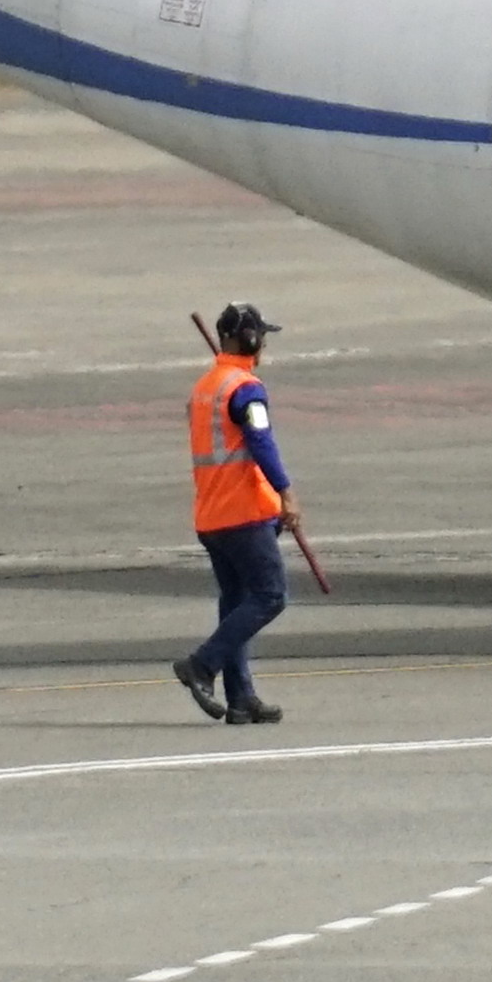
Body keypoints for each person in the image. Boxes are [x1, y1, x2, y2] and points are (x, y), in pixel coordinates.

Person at [176, 302, 297, 726]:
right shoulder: (245, 389)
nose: (263, 343)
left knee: (235, 604)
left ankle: (241, 697)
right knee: (270, 595)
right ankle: (202, 665)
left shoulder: (206, 387)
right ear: (249, 340)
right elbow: (260, 443)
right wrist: (285, 492)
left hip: (211, 515)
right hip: (242, 513)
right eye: (260, 335)